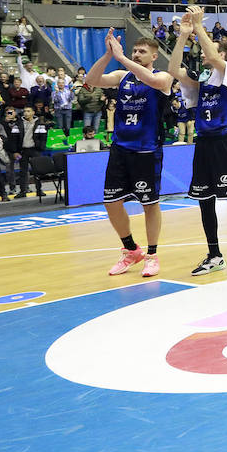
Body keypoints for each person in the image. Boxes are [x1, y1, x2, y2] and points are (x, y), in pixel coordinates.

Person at [169, 9, 227, 276]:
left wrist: (198, 26)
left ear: (223, 55)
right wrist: (184, 36)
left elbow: (215, 56)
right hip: (204, 144)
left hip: (226, 143)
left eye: (209, 49)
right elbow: (173, 70)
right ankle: (214, 254)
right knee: (204, 200)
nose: (203, 53)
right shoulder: (201, 81)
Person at [84, 30, 174, 278]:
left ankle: (152, 255)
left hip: (146, 150)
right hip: (120, 148)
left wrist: (123, 58)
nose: (136, 54)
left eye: (142, 51)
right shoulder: (122, 76)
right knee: (111, 202)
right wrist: (108, 55)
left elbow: (156, 83)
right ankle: (131, 249)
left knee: (149, 204)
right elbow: (91, 80)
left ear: (154, 56)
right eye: (134, 50)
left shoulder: (163, 76)